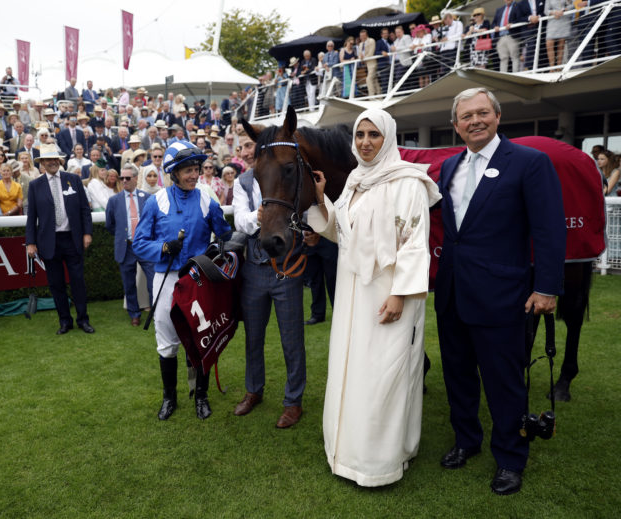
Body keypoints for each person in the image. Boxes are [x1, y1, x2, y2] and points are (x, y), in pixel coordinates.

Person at [435, 88, 565, 495]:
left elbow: (549, 228)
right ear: (455, 125)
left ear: (497, 116)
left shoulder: (529, 162)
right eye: (466, 116)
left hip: (503, 294)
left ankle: (511, 457)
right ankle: (466, 441)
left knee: (504, 381)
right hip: (452, 291)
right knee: (457, 375)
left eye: (482, 113)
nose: (475, 121)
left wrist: (546, 287)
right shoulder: (448, 167)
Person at [306, 108, 441, 486]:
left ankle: (379, 461)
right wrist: (321, 201)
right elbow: (344, 234)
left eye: (374, 135)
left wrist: (400, 295)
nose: (365, 142)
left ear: (389, 138)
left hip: (389, 294)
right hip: (352, 292)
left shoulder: (408, 183)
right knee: (353, 369)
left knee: (385, 374)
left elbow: (415, 244)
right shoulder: (354, 180)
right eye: (360, 135)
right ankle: (345, 452)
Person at [133, 141, 232, 421]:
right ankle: (169, 398)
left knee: (200, 338)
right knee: (166, 341)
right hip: (166, 280)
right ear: (174, 173)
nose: (193, 175)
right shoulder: (156, 201)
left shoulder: (206, 200)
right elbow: (139, 244)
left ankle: (201, 396)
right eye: (188, 170)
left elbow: (224, 233)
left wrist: (223, 239)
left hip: (198, 280)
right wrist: (164, 248)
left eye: (196, 169)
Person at [232, 129, 307, 429]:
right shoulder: (242, 183)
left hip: (286, 268)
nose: (248, 151)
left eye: (252, 145)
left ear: (263, 149)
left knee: (292, 339)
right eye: (244, 147)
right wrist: (257, 217)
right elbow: (239, 220)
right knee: (253, 337)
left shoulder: (289, 173)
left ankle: (293, 402)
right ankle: (254, 391)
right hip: (254, 270)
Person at [26, 144, 95, 335]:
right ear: (42, 163)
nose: (52, 162)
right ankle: (65, 321)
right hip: (49, 242)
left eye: (55, 159)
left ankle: (83, 320)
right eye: (48, 160)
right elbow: (31, 217)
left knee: (78, 282)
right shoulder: (35, 186)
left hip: (72, 239)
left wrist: (87, 233)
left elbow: (84, 209)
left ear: (60, 161)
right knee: (56, 285)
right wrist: (30, 242)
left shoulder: (73, 179)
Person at [105, 164, 156, 326]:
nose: (124, 181)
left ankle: (156, 311)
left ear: (135, 178)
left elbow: (154, 222)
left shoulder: (147, 197)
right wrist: (123, 237)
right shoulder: (114, 201)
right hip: (126, 247)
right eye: (122, 178)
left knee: (154, 279)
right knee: (129, 283)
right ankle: (134, 313)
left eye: (128, 178)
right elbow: (110, 225)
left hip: (145, 246)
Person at [545, 0, 573, 68]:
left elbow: (573, 5)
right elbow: (546, 11)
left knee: (561, 45)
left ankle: (558, 67)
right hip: (553, 20)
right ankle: (552, 68)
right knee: (549, 44)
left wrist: (564, 10)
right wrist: (554, 13)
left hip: (564, 19)